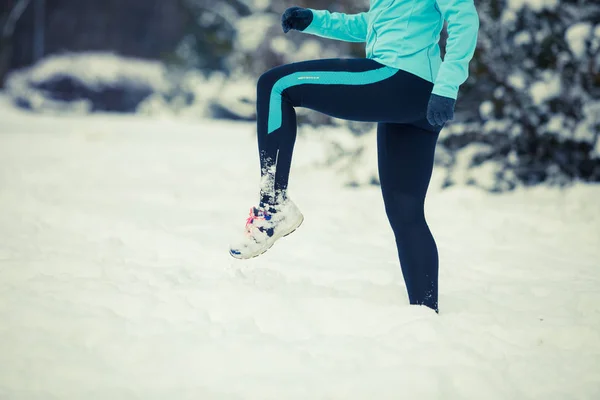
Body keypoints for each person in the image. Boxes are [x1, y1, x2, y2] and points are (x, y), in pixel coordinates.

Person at [229, 0, 479, 313]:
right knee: (405, 211)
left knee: (275, 84)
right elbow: (373, 24)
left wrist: (448, 85)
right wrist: (314, 21)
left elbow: (464, 19)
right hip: (416, 98)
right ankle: (426, 315)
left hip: (402, 80)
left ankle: (273, 204)